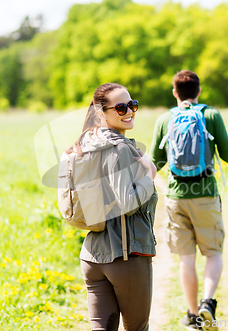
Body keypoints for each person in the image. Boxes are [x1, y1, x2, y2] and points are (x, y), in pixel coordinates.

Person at [67, 83, 158, 331]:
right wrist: (150, 175)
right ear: (101, 113)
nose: (129, 111)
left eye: (132, 104)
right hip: (125, 258)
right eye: (120, 107)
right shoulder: (118, 149)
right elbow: (127, 203)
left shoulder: (82, 147)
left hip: (92, 256)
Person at [150, 70, 228, 331]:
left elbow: (156, 161)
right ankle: (207, 304)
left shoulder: (165, 119)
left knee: (186, 259)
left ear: (175, 92)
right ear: (199, 91)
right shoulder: (210, 114)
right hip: (206, 194)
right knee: (213, 253)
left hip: (176, 197)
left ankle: (192, 317)